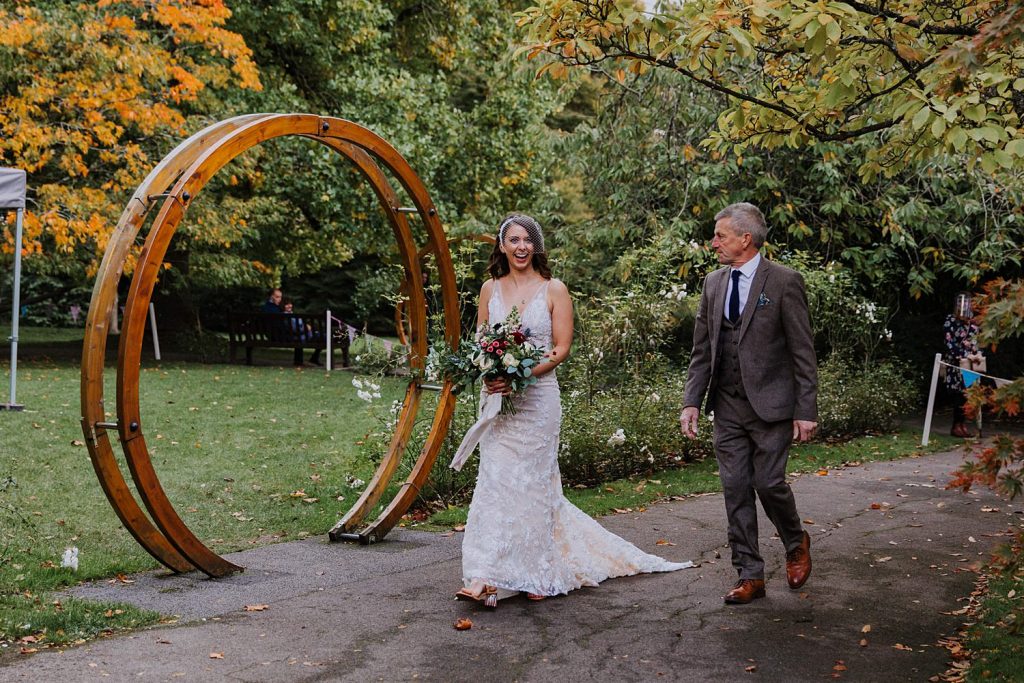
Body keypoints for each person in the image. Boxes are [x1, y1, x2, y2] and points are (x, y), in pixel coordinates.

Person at [455, 213, 693, 608]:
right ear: (501, 246)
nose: (521, 246)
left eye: (528, 240)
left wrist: (520, 375)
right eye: (513, 239)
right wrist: (489, 372)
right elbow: (481, 339)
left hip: (537, 402)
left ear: (537, 247)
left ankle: (537, 571)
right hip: (497, 400)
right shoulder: (488, 289)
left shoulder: (554, 289)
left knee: (533, 485)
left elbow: (560, 348)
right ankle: (484, 574)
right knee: (495, 482)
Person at [679, 202, 817, 605]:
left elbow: (803, 351)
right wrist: (691, 402)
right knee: (735, 487)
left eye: (720, 235)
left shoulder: (785, 282)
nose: (714, 243)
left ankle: (795, 540)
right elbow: (701, 350)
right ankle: (749, 574)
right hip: (728, 405)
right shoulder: (712, 283)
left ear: (746, 238)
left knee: (768, 483)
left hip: (773, 405)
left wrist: (805, 409)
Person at [943, 292, 982, 438]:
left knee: (968, 394)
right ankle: (956, 425)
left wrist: (975, 354)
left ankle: (962, 424)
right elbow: (948, 342)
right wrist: (960, 354)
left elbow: (978, 341)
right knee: (958, 394)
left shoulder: (974, 323)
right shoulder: (950, 320)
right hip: (956, 363)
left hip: (971, 364)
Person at [282, 297, 322, 367]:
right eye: (286, 304)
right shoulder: (287, 316)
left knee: (321, 336)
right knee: (323, 337)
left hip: (298, 336)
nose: (289, 306)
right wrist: (307, 328)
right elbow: (296, 329)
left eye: (290, 304)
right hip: (300, 337)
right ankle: (314, 358)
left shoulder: (287, 315)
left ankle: (300, 360)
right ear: (282, 306)